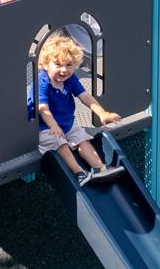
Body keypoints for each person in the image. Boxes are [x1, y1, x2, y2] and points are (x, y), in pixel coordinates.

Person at [34, 33, 120, 186]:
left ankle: (99, 168)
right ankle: (78, 172)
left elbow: (85, 97)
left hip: (67, 122)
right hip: (45, 126)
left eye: (69, 65)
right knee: (58, 142)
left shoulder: (71, 79)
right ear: (46, 64)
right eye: (58, 65)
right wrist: (53, 125)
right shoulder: (42, 81)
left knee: (82, 138)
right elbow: (42, 107)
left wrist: (102, 113)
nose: (64, 70)